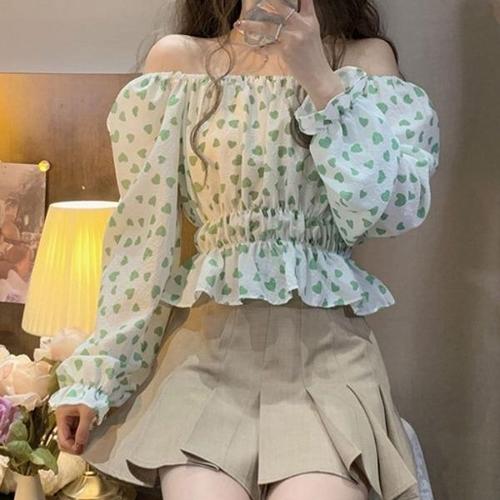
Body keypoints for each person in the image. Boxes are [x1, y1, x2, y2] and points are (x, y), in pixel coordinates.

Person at [48, 1, 440, 499]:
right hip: (207, 355)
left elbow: (390, 211)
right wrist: (98, 377)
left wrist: (320, 79)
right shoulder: (180, 63)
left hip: (328, 357)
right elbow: (142, 243)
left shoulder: (366, 62)